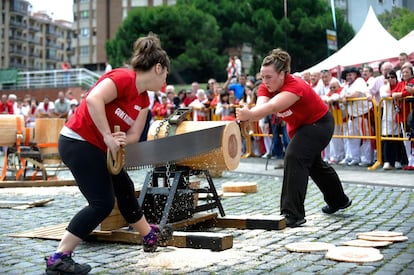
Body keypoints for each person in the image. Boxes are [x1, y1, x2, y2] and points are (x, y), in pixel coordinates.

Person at [45, 33, 172, 275]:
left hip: (100, 148)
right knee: (101, 203)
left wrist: (123, 139)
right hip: (79, 142)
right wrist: (106, 135)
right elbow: (93, 99)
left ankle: (149, 235)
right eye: (165, 74)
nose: (166, 80)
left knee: (123, 187)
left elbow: (135, 135)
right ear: (158, 68)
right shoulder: (123, 77)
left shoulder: (144, 101)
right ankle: (59, 258)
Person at [236, 48, 351, 228]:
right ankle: (338, 200)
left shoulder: (295, 86)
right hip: (301, 128)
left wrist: (249, 114)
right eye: (262, 77)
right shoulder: (265, 87)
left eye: (269, 77)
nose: (264, 82)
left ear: (282, 74)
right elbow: (261, 105)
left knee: (294, 156)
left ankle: (292, 214)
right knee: (314, 165)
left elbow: (272, 107)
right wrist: (250, 114)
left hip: (319, 124)